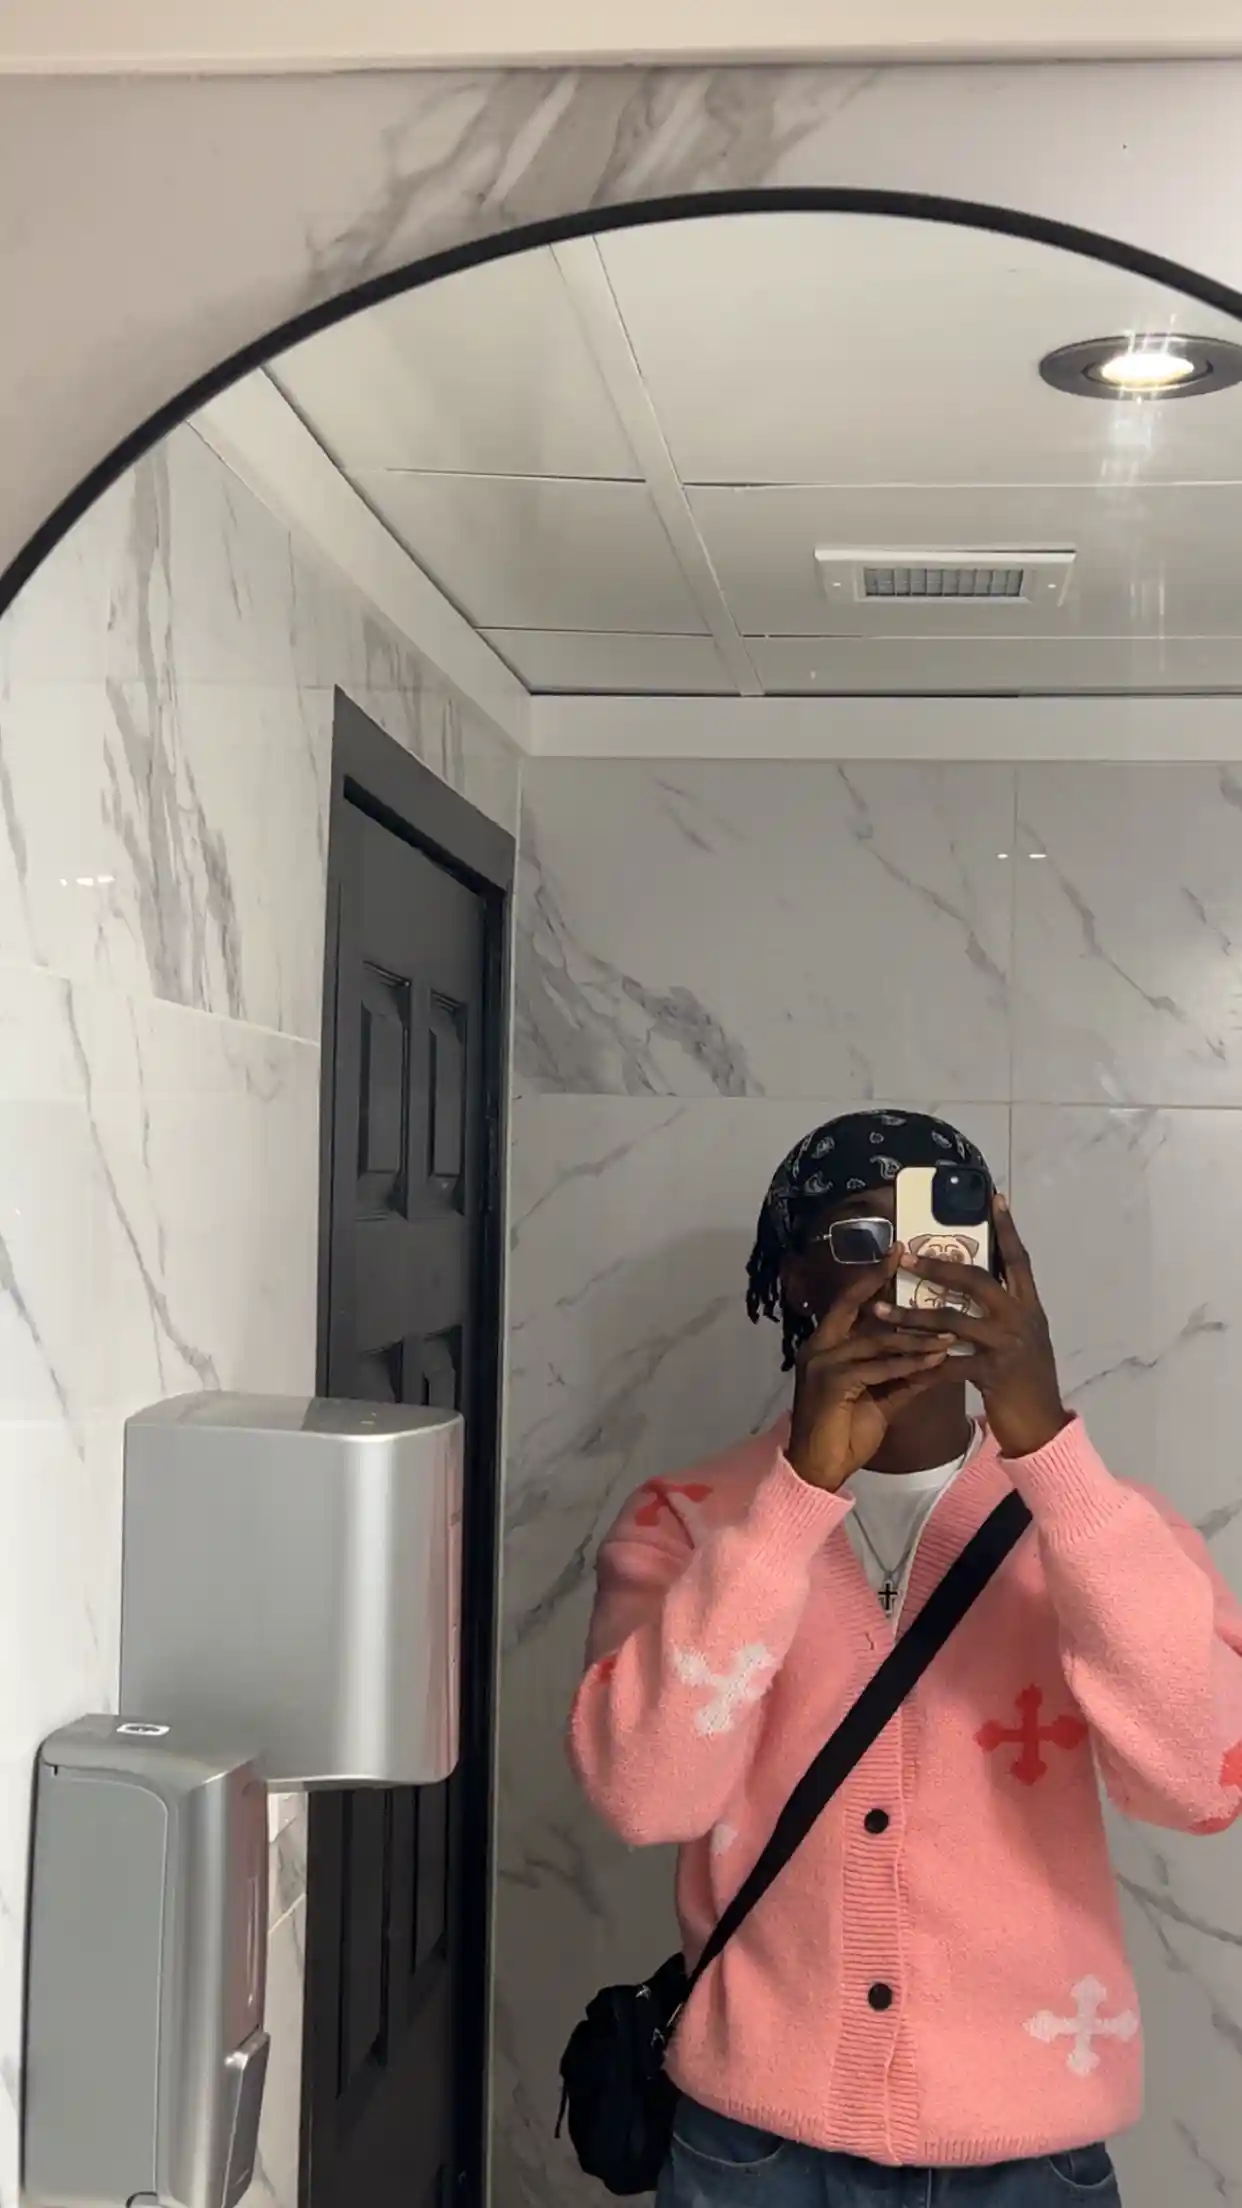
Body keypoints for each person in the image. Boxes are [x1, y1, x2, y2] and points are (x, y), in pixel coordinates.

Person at [568, 1111, 1242, 2208]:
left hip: (1033, 2156)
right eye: (855, 1237)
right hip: (753, 2151)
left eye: (938, 1235)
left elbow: (1199, 1783)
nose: (898, 1273)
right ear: (792, 1279)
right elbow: (645, 1799)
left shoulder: (1101, 1527)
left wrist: (1049, 1449)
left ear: (999, 1267)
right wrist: (793, 1504)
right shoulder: (689, 1521)